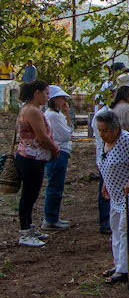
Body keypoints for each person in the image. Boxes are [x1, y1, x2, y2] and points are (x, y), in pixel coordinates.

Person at [95, 111, 129, 284]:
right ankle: (118, 264)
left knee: (125, 228)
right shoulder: (102, 142)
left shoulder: (127, 139)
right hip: (115, 192)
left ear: (115, 128)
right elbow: (105, 164)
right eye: (100, 130)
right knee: (115, 227)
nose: (102, 134)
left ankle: (125, 270)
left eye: (105, 131)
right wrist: (105, 184)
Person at [15, 81, 59, 247]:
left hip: (31, 157)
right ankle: (25, 232)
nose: (48, 97)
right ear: (37, 93)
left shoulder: (27, 109)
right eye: (46, 93)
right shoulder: (32, 111)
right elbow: (42, 137)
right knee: (28, 195)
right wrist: (55, 149)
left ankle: (29, 226)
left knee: (31, 195)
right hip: (31, 158)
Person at [41, 86, 73, 231]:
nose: (64, 102)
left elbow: (69, 130)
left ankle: (53, 217)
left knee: (57, 186)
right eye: (61, 99)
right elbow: (66, 135)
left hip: (62, 152)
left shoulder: (57, 115)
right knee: (55, 186)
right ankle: (50, 219)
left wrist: (67, 115)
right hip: (58, 153)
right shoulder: (52, 116)